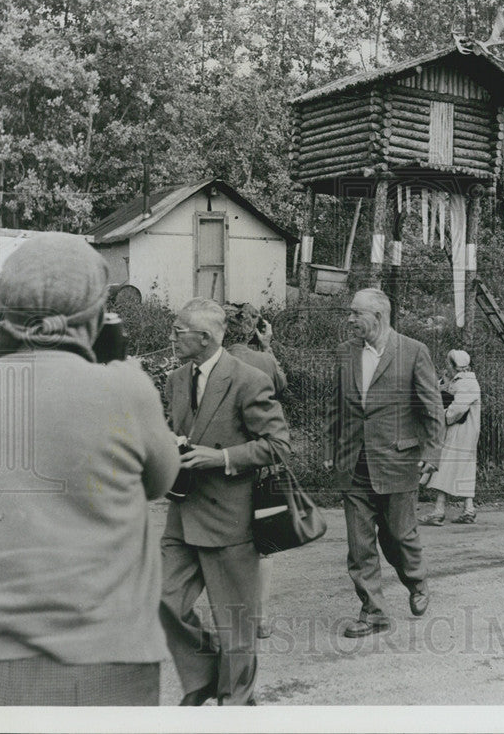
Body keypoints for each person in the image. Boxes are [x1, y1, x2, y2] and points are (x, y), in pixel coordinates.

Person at [0, 233, 180, 705]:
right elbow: (162, 481)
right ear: (95, 317)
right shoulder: (127, 391)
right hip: (109, 660)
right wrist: (115, 361)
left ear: (1, 313)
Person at [159, 297, 291, 706]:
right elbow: (176, 430)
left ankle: (235, 703)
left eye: (179, 332)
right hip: (183, 514)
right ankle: (205, 677)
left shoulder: (248, 379)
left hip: (230, 517)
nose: (172, 337)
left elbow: (279, 445)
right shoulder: (176, 380)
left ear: (205, 337)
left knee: (235, 623)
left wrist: (224, 458)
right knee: (164, 601)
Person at [323, 288, 445, 638]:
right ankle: (373, 612)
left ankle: (417, 580)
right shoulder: (345, 353)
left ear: (377, 317)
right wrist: (330, 446)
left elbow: (433, 409)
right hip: (353, 462)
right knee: (359, 544)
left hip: (397, 461)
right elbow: (336, 405)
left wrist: (432, 454)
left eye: (355, 313)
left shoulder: (412, 351)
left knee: (398, 536)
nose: (349, 319)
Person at [226, 303, 287, 640]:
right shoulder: (262, 360)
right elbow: (282, 386)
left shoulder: (210, 362)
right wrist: (267, 348)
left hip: (221, 458)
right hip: (262, 459)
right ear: (252, 330)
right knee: (263, 544)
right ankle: (260, 618)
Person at [420, 349, 482, 525]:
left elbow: (458, 409)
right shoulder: (460, 380)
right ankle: (468, 509)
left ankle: (439, 511)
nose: (446, 366)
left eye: (448, 363)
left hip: (461, 432)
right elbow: (440, 390)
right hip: (461, 432)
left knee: (444, 467)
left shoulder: (468, 383)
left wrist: (441, 415)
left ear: (455, 366)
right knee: (464, 469)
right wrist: (444, 382)